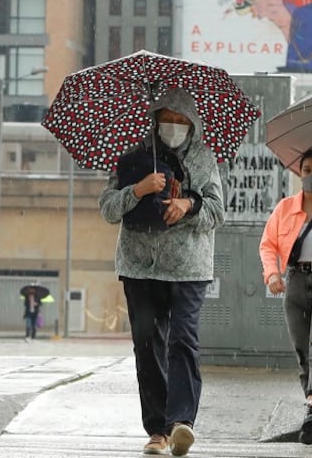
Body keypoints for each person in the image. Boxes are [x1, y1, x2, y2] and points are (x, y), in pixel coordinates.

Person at [99, 89, 225, 457]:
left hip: (188, 267)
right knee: (146, 343)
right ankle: (157, 429)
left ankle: (182, 421)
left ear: (192, 123)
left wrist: (188, 205)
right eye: (167, 119)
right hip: (139, 265)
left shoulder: (204, 159)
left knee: (182, 338)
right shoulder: (132, 157)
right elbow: (108, 208)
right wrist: (137, 190)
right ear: (155, 121)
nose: (173, 127)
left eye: (181, 121)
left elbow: (218, 211)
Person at [258, 148, 312, 445]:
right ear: (299, 172)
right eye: (307, 169)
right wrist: (272, 274)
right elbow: (268, 245)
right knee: (303, 353)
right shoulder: (284, 208)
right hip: (294, 282)